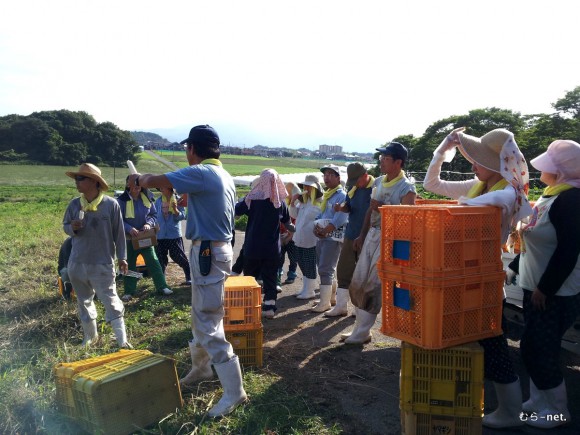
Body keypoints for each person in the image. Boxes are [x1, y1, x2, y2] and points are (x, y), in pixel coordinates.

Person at [126, 124, 247, 418]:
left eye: (186, 149)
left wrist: (138, 178)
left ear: (192, 149)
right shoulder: (221, 174)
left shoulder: (203, 172)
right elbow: (176, 193)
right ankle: (202, 369)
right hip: (209, 250)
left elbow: (157, 178)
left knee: (207, 321)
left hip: (208, 251)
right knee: (200, 315)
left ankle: (234, 391)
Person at [423, 127, 533, 429]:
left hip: (484, 278)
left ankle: (511, 412)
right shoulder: (479, 186)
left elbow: (472, 206)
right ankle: (496, 405)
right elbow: (431, 183)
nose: (473, 165)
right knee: (473, 340)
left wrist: (457, 205)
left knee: (492, 340)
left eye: (477, 160)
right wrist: (441, 151)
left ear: (497, 165)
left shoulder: (506, 193)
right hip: (462, 275)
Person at [506, 139, 580, 429]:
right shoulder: (552, 194)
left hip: (554, 293)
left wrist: (545, 289)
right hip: (534, 286)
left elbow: (568, 250)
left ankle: (558, 411)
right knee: (533, 346)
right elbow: (532, 243)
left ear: (562, 171)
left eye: (550, 166)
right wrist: (513, 268)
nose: (542, 170)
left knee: (541, 350)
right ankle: (539, 402)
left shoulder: (572, 200)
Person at [343, 143, 416, 343]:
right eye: (381, 158)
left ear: (398, 162)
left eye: (385, 158)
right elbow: (370, 211)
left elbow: (407, 219)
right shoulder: (379, 183)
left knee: (373, 285)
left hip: (391, 239)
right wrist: (362, 235)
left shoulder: (407, 188)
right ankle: (359, 328)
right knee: (357, 281)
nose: (381, 161)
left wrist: (384, 208)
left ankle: (363, 331)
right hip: (373, 235)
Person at [62, 163, 131, 348]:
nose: (77, 182)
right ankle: (90, 338)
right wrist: (72, 227)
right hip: (77, 262)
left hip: (102, 263)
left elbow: (119, 234)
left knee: (111, 300)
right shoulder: (75, 204)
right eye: (76, 178)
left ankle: (122, 340)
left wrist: (122, 257)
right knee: (83, 301)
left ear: (94, 181)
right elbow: (65, 226)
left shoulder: (111, 204)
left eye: (80, 178)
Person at [235, 169, 294, 318]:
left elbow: (236, 210)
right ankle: (269, 308)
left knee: (250, 278)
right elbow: (287, 223)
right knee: (270, 278)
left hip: (252, 247)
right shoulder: (279, 202)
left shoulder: (252, 198)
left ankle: (250, 308)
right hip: (272, 249)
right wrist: (292, 229)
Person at [325, 162, 373, 317]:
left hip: (368, 238)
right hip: (350, 234)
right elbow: (350, 207)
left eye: (357, 181)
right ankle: (341, 306)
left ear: (365, 175)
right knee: (343, 269)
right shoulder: (354, 188)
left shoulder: (375, 189)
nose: (355, 185)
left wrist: (363, 236)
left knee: (363, 274)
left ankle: (360, 309)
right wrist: (342, 208)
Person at [117, 176, 172, 301]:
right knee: (129, 265)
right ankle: (129, 291)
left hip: (145, 238)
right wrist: (129, 228)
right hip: (129, 239)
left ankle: (162, 286)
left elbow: (153, 215)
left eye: (138, 185)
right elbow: (118, 220)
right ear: (128, 185)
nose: (137, 188)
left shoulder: (147, 198)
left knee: (153, 261)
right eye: (134, 186)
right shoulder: (121, 201)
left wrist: (148, 224)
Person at [312, 165, 348, 313]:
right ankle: (329, 298)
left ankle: (324, 302)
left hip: (332, 237)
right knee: (326, 268)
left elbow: (340, 218)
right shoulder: (328, 195)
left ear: (338, 178)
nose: (326, 177)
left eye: (330, 175)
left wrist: (325, 231)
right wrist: (317, 227)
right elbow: (321, 215)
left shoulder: (341, 196)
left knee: (325, 269)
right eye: (325, 175)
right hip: (324, 236)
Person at [292, 174, 324, 300]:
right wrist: (294, 202)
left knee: (309, 264)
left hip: (311, 239)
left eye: (309, 186)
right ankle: (305, 288)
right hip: (299, 237)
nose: (307, 188)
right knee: (302, 263)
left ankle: (310, 290)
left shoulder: (320, 202)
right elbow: (294, 215)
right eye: (305, 186)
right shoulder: (304, 201)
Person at [154, 186, 191, 285]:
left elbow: (183, 216)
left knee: (178, 256)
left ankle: (189, 277)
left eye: (163, 187)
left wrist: (175, 209)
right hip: (160, 234)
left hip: (173, 234)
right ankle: (162, 282)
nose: (161, 189)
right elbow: (154, 215)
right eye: (160, 187)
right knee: (161, 258)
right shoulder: (158, 201)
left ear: (169, 188)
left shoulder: (178, 200)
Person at [279, 182, 300, 286]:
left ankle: (291, 274)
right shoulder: (284, 202)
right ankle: (278, 274)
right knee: (280, 256)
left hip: (292, 236)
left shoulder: (297, 204)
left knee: (293, 258)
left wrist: (289, 236)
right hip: (282, 234)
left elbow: (296, 221)